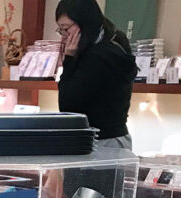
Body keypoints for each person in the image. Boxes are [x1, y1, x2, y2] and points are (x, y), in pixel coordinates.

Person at [55, 0, 136, 150]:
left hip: (102, 143)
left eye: (65, 29)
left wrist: (69, 59)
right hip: (111, 141)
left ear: (85, 22)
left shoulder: (98, 56)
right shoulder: (113, 41)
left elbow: (68, 106)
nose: (64, 36)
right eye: (60, 30)